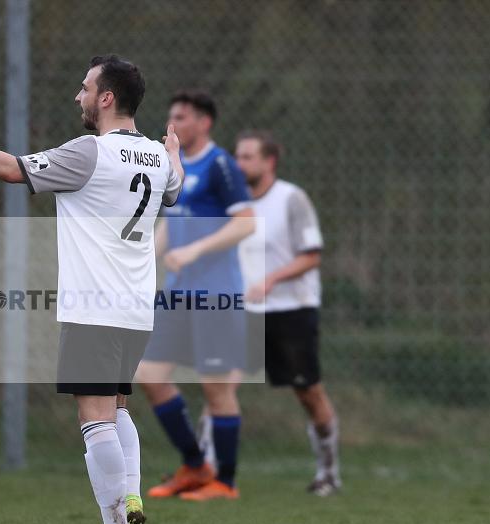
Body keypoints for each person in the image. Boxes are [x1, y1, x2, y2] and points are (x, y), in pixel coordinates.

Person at [0, 55, 183, 524]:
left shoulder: (90, 152)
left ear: (106, 98)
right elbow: (174, 191)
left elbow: (12, 170)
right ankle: (133, 497)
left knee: (95, 417)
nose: (77, 96)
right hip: (137, 308)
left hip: (93, 308)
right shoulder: (158, 159)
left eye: (84, 88)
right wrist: (175, 156)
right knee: (118, 409)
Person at [137, 90, 255, 501]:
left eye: (182, 117)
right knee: (149, 376)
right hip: (176, 292)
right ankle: (194, 465)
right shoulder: (177, 165)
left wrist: (196, 250)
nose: (174, 123)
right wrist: (144, 258)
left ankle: (225, 482)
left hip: (217, 294)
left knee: (216, 388)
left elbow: (245, 224)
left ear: (204, 122)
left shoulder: (221, 164)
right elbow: (172, 222)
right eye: (171, 116)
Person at [234, 130, 341, 496]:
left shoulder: (291, 199)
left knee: (308, 392)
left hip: (292, 309)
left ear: (269, 162)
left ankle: (328, 472)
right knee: (220, 386)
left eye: (248, 157)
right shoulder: (234, 203)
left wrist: (272, 279)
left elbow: (311, 256)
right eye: (238, 156)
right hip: (247, 310)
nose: (240, 163)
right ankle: (210, 473)